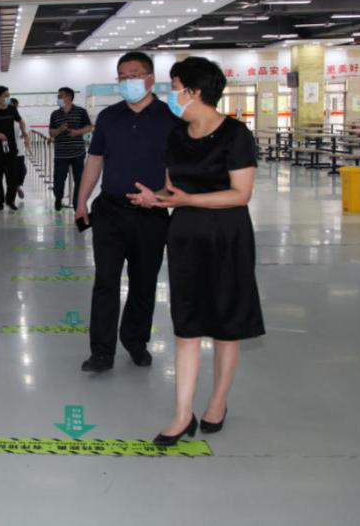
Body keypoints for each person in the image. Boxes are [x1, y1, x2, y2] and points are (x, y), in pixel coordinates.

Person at [126, 57, 264, 446]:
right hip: (186, 236)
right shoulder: (177, 135)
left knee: (225, 326)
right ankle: (182, 413)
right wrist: (156, 198)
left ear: (195, 91)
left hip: (227, 236)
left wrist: (188, 200)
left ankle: (217, 401)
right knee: (186, 327)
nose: (171, 94)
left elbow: (241, 194)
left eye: (175, 87)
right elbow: (175, 190)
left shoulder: (236, 135)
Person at [75, 51, 178, 373]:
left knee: (144, 282)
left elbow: (174, 171)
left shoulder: (170, 118)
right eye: (122, 76)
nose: (127, 81)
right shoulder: (109, 117)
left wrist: (160, 197)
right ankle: (101, 351)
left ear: (150, 79)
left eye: (134, 75)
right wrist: (81, 200)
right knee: (105, 281)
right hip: (110, 211)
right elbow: (95, 160)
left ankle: (136, 341)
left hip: (151, 214)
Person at [0, 86, 30, 212]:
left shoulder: (12, 110)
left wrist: (24, 132)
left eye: (9, 95)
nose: (8, 97)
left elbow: (21, 121)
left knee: (12, 178)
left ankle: (10, 201)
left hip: (11, 150)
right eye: (6, 95)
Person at [49, 87, 94, 211]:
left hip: (77, 153)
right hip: (60, 154)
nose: (58, 98)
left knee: (79, 180)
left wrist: (77, 132)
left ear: (69, 97)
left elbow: (89, 127)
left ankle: (76, 202)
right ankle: (58, 198)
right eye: (58, 96)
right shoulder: (55, 114)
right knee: (59, 179)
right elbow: (51, 133)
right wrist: (60, 130)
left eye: (60, 96)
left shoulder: (81, 111)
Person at [9, 98, 28, 200]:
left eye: (15, 106)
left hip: (20, 150)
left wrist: (26, 138)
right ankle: (16, 188)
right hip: (9, 150)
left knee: (23, 170)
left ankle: (18, 186)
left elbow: (25, 133)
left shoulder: (20, 120)